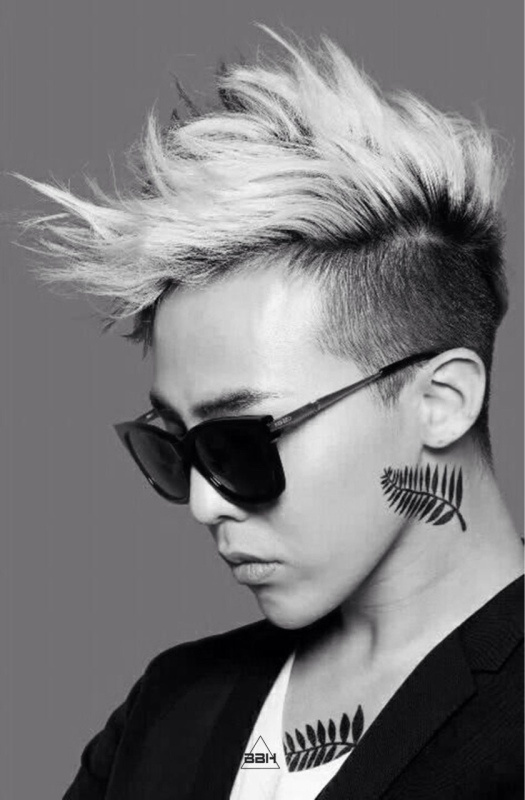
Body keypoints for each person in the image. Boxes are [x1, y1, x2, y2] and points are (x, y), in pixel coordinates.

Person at [19, 28, 523, 800]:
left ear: (440, 401)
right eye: (173, 448)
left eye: (241, 440)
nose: (204, 501)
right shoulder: (171, 708)